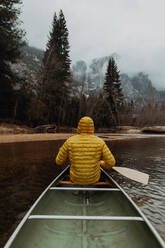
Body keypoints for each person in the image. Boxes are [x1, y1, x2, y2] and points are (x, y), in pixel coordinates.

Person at [56, 116, 116, 184]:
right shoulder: (100, 142)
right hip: (93, 179)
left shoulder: (69, 141)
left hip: (75, 179)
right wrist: (101, 163)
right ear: (92, 127)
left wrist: (61, 152)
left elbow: (59, 162)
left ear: (79, 126)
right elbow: (111, 163)